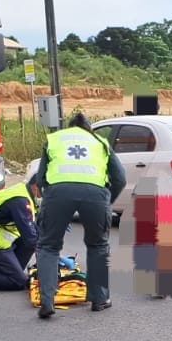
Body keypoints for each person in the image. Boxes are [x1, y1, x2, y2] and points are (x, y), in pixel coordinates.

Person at [31, 112, 126, 319]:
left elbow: (40, 178)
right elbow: (120, 178)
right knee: (98, 245)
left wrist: (51, 199)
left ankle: (47, 301)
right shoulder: (99, 141)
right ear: (89, 127)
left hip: (58, 192)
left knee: (48, 245)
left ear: (70, 126)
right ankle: (99, 299)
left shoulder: (55, 139)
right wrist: (107, 201)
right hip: (95, 194)